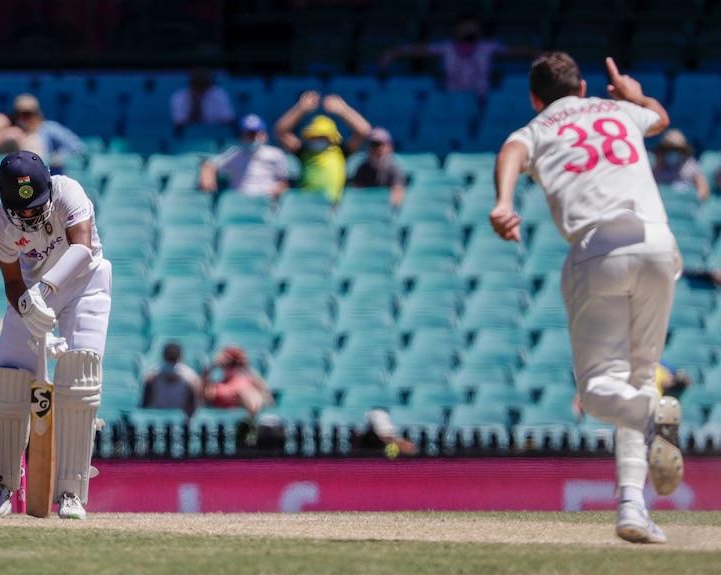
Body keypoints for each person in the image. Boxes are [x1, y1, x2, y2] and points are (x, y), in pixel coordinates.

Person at [489, 52, 683, 544]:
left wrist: (504, 201)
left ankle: (648, 417)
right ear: (582, 88)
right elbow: (659, 117)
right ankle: (631, 508)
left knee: (600, 392)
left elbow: (511, 151)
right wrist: (632, 94)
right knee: (640, 380)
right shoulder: (616, 110)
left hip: (597, 249)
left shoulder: (537, 127)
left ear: (535, 98)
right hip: (659, 242)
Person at [0, 150, 112, 520]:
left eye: (34, 205)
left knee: (80, 377)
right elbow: (11, 281)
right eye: (18, 208)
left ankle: (71, 492)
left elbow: (83, 249)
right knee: (8, 382)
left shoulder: (69, 190)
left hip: (85, 285)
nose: (27, 214)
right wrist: (27, 304)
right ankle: (1, 483)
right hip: (32, 292)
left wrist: (45, 291)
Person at [378, 16, 538, 102]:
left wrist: (537, 52)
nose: (468, 30)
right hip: (453, 100)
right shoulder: (446, 47)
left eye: (472, 26)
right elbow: (419, 50)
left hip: (481, 100)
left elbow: (516, 51)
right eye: (464, 26)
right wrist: (393, 53)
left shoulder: (488, 47)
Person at [274, 91, 371, 204]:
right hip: (306, 204)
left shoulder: (342, 152)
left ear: (331, 138)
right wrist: (300, 109)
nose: (318, 140)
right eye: (315, 136)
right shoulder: (303, 152)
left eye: (323, 137)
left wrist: (343, 110)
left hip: (333, 205)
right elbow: (280, 131)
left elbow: (364, 131)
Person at [0, 93, 86, 173]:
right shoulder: (12, 131)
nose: (22, 118)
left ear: (36, 113)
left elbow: (77, 147)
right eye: (18, 114)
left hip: (44, 175)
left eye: (27, 114)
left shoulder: (49, 128)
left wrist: (57, 157)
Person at [198, 113, 290, 198]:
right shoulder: (235, 153)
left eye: (254, 134)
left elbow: (284, 183)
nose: (251, 138)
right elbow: (210, 165)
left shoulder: (276, 154)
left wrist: (275, 192)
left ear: (264, 135)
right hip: (238, 200)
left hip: (266, 201)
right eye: (247, 134)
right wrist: (207, 174)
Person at [203, 345, 274, 416]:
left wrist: (247, 366)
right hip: (223, 419)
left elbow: (268, 397)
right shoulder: (216, 386)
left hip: (246, 415)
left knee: (250, 393)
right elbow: (202, 395)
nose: (231, 367)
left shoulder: (248, 380)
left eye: (235, 363)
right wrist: (212, 365)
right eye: (229, 363)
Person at [349, 126, 407, 208]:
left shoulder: (394, 170)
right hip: (365, 208)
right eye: (373, 145)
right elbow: (356, 194)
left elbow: (397, 198)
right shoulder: (362, 168)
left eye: (380, 145)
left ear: (389, 147)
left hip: (385, 210)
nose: (377, 149)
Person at [141, 342, 203, 418]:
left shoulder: (190, 377)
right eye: (169, 358)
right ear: (164, 357)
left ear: (180, 358)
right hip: (159, 416)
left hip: (181, 417)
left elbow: (197, 403)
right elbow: (146, 402)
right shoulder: (153, 375)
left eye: (174, 359)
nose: (171, 362)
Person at [170, 67, 235, 135]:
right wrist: (195, 104)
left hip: (214, 133)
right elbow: (179, 123)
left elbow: (229, 119)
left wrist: (214, 124)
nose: (200, 90)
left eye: (203, 86)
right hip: (189, 135)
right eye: (197, 86)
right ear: (191, 85)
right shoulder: (178, 97)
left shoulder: (218, 94)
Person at [651, 128, 710, 202]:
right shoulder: (658, 166)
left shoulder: (689, 166)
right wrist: (658, 164)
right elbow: (649, 184)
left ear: (682, 151)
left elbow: (702, 187)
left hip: (683, 205)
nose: (672, 152)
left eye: (676, 149)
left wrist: (695, 201)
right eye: (668, 149)